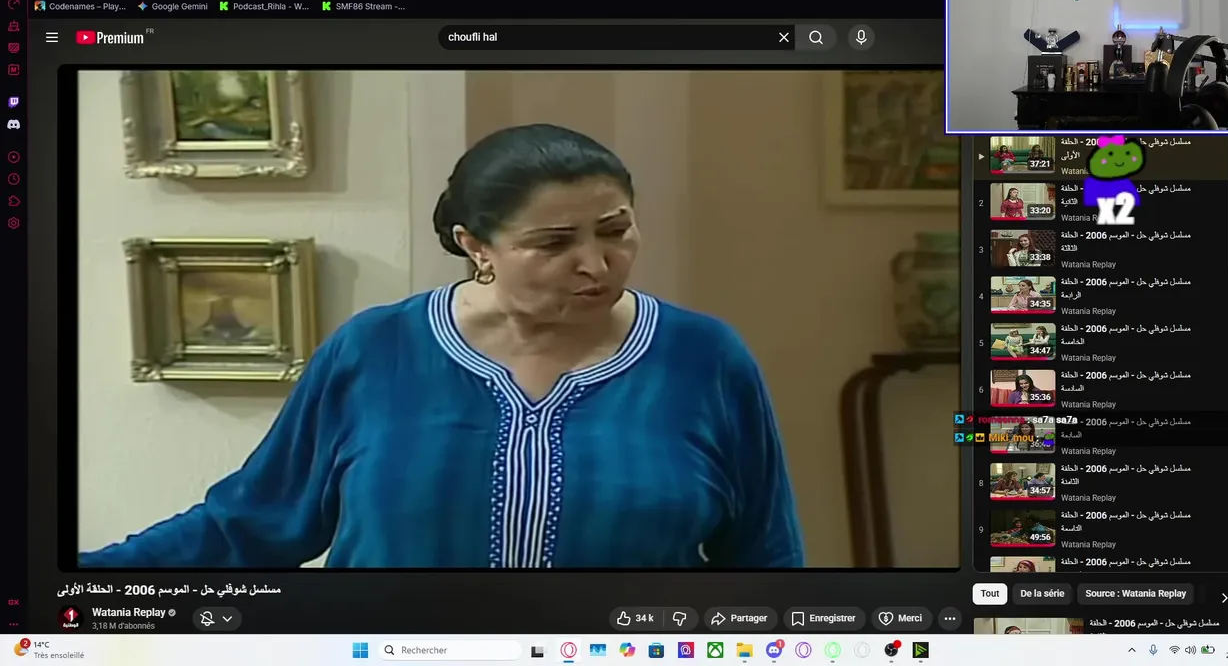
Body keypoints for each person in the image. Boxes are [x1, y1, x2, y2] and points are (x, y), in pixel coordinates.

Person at [79, 123, 805, 569]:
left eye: (615, 230)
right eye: (553, 243)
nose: (596, 263)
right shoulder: (376, 350)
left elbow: (766, 559)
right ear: (475, 245)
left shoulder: (703, 357)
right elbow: (250, 525)